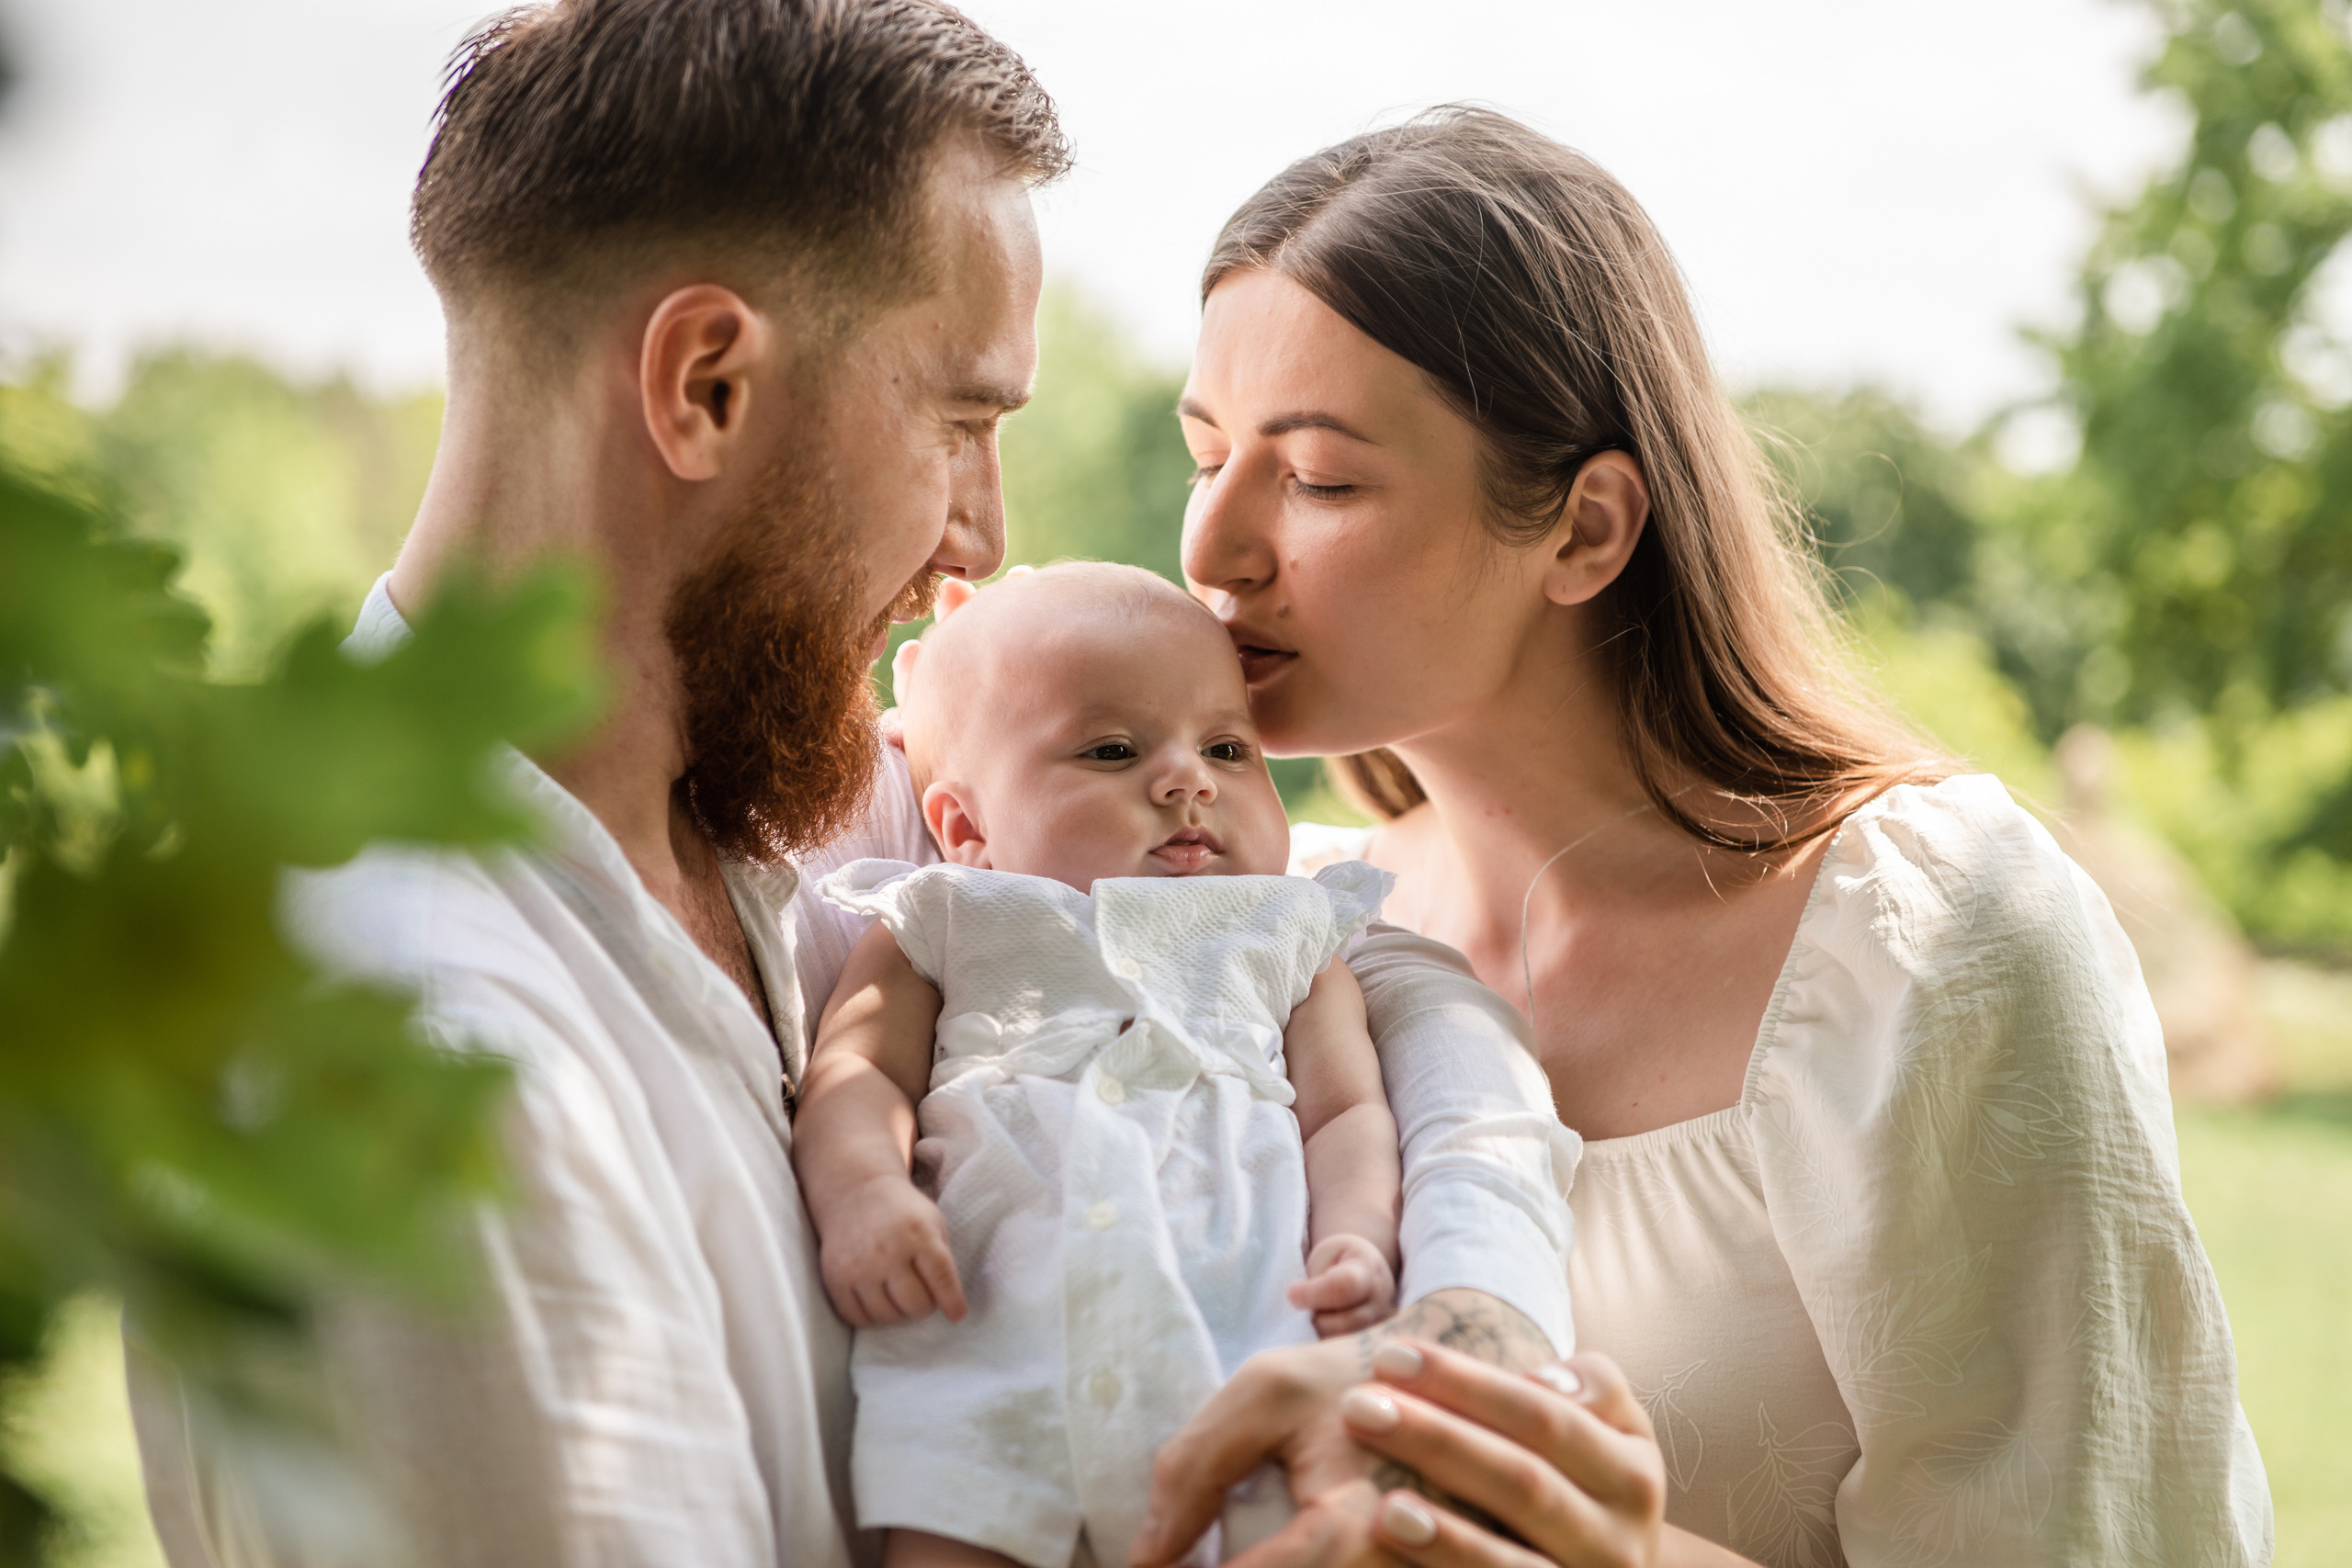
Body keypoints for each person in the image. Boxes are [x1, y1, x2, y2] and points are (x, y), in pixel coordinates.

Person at [126, 10, 1577, 1568]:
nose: (984, 537)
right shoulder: (432, 1068)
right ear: (706, 385)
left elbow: (1377, 965)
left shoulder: (781, 807)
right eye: (961, 424)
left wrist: (1451, 1348)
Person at [1137, 108, 2275, 1568]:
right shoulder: (1281, 924)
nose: (1210, 546)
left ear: (1586, 529)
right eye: (1206, 453)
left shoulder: (1929, 942)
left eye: (1319, 477)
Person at [798, 562, 1442, 1567]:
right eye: (1111, 750)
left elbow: (1348, 1115)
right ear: (965, 831)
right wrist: (863, 1194)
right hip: (992, 1369)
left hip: (1232, 1359)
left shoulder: (1287, 932)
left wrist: (1358, 1236)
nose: (1189, 779)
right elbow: (856, 1074)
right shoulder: (952, 916)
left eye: (1228, 748)